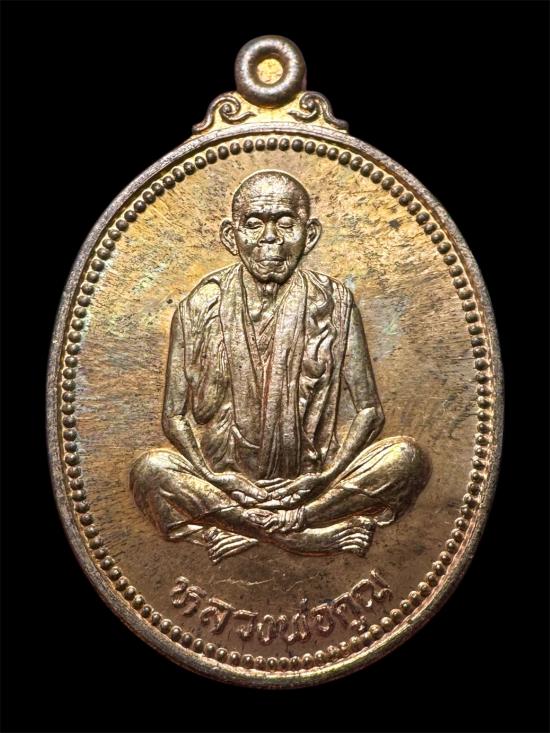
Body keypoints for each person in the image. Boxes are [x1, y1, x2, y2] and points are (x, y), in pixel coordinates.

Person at [131, 170, 431, 564]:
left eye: (286, 223)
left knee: (407, 459)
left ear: (310, 234)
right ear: (230, 236)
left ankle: (263, 526)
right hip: (226, 486)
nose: (269, 238)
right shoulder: (198, 306)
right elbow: (173, 416)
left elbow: (370, 412)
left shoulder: (336, 302)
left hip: (314, 483)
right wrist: (216, 477)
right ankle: (307, 536)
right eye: (254, 224)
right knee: (150, 470)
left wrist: (322, 478)